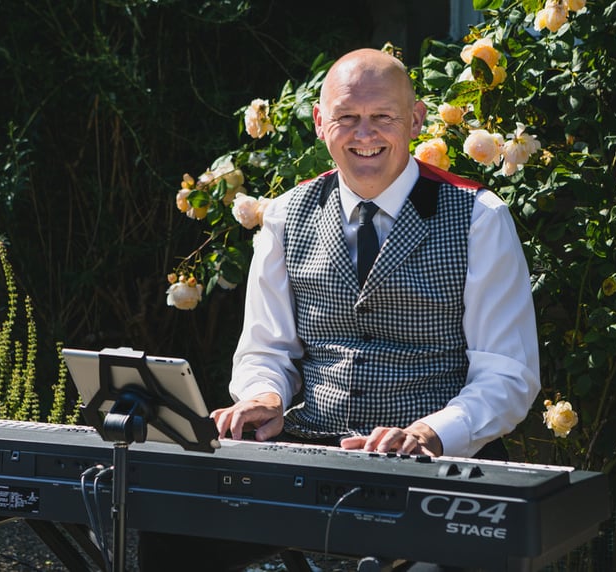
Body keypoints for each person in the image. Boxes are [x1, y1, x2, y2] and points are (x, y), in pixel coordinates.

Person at [138, 47, 539, 571]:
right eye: (346, 117)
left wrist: (430, 433)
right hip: (313, 457)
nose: (364, 134)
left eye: (383, 117)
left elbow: (508, 374)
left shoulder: (480, 217)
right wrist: (265, 395)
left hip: (438, 467)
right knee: (172, 533)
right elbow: (266, 349)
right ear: (319, 122)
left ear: (416, 120)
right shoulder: (285, 215)